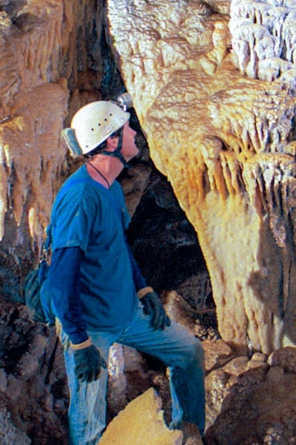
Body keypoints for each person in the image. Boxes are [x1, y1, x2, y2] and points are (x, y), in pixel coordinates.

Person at [47, 97, 205, 444]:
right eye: (127, 128)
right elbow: (60, 281)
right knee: (89, 424)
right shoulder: (80, 198)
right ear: (111, 142)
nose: (135, 132)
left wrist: (144, 289)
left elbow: (117, 249)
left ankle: (187, 434)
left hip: (126, 312)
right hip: (90, 328)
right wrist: (80, 341)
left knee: (188, 353)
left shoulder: (112, 188)